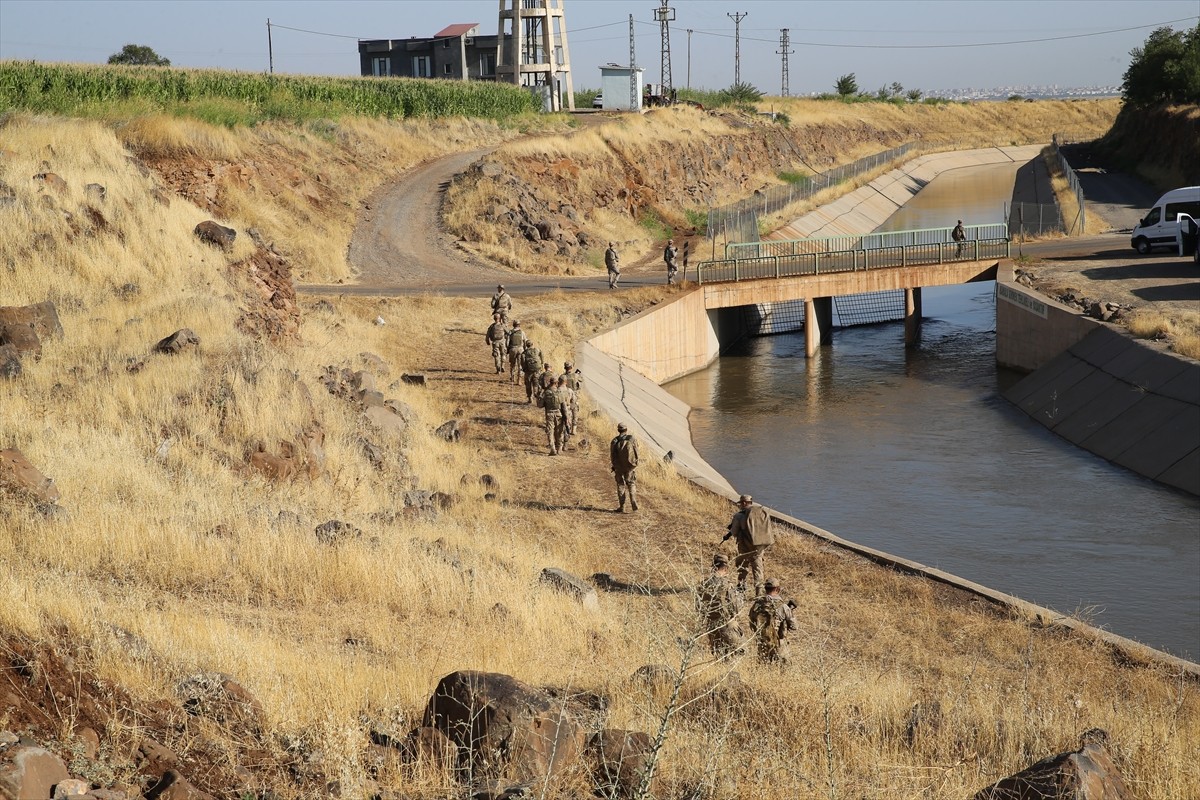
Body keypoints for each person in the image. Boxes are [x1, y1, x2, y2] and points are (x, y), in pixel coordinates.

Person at [722, 494, 775, 596]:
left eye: (741, 503)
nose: (740, 505)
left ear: (744, 503)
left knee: (742, 565)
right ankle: (759, 592)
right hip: (759, 546)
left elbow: (735, 532)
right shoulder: (760, 513)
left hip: (745, 545)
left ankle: (741, 586)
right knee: (758, 568)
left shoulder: (739, 516)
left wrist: (729, 533)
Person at [695, 553, 743, 656]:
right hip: (727, 624)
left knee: (719, 655)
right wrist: (740, 596)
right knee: (739, 652)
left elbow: (698, 607)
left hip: (711, 625)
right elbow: (736, 607)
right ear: (726, 568)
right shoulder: (727, 585)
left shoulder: (703, 584)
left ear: (713, 566)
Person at [747, 578, 796, 664]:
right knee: (784, 668)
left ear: (765, 589)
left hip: (762, 642)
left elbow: (751, 622)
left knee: (763, 667)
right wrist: (790, 612)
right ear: (778, 589)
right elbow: (794, 626)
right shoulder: (783, 606)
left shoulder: (757, 604)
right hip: (779, 643)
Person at [609, 422, 640, 512]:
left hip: (619, 466)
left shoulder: (614, 441)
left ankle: (622, 506)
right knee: (631, 483)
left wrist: (614, 466)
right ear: (626, 430)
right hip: (630, 465)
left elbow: (612, 455)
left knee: (620, 485)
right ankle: (633, 501)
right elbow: (636, 451)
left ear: (618, 430)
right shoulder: (632, 439)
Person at [542, 376, 568, 455]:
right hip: (558, 414)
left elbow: (540, 405)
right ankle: (559, 448)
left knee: (550, 431)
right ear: (556, 383)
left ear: (550, 382)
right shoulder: (559, 392)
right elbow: (563, 406)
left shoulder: (546, 392)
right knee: (559, 431)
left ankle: (552, 448)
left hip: (549, 413)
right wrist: (566, 417)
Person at [560, 361, 583, 447]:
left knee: (566, 411)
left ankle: (566, 427)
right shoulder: (575, 376)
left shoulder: (562, 376)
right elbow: (581, 380)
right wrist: (578, 374)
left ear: (565, 367)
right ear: (571, 367)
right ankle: (574, 429)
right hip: (574, 395)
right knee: (575, 412)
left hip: (566, 396)